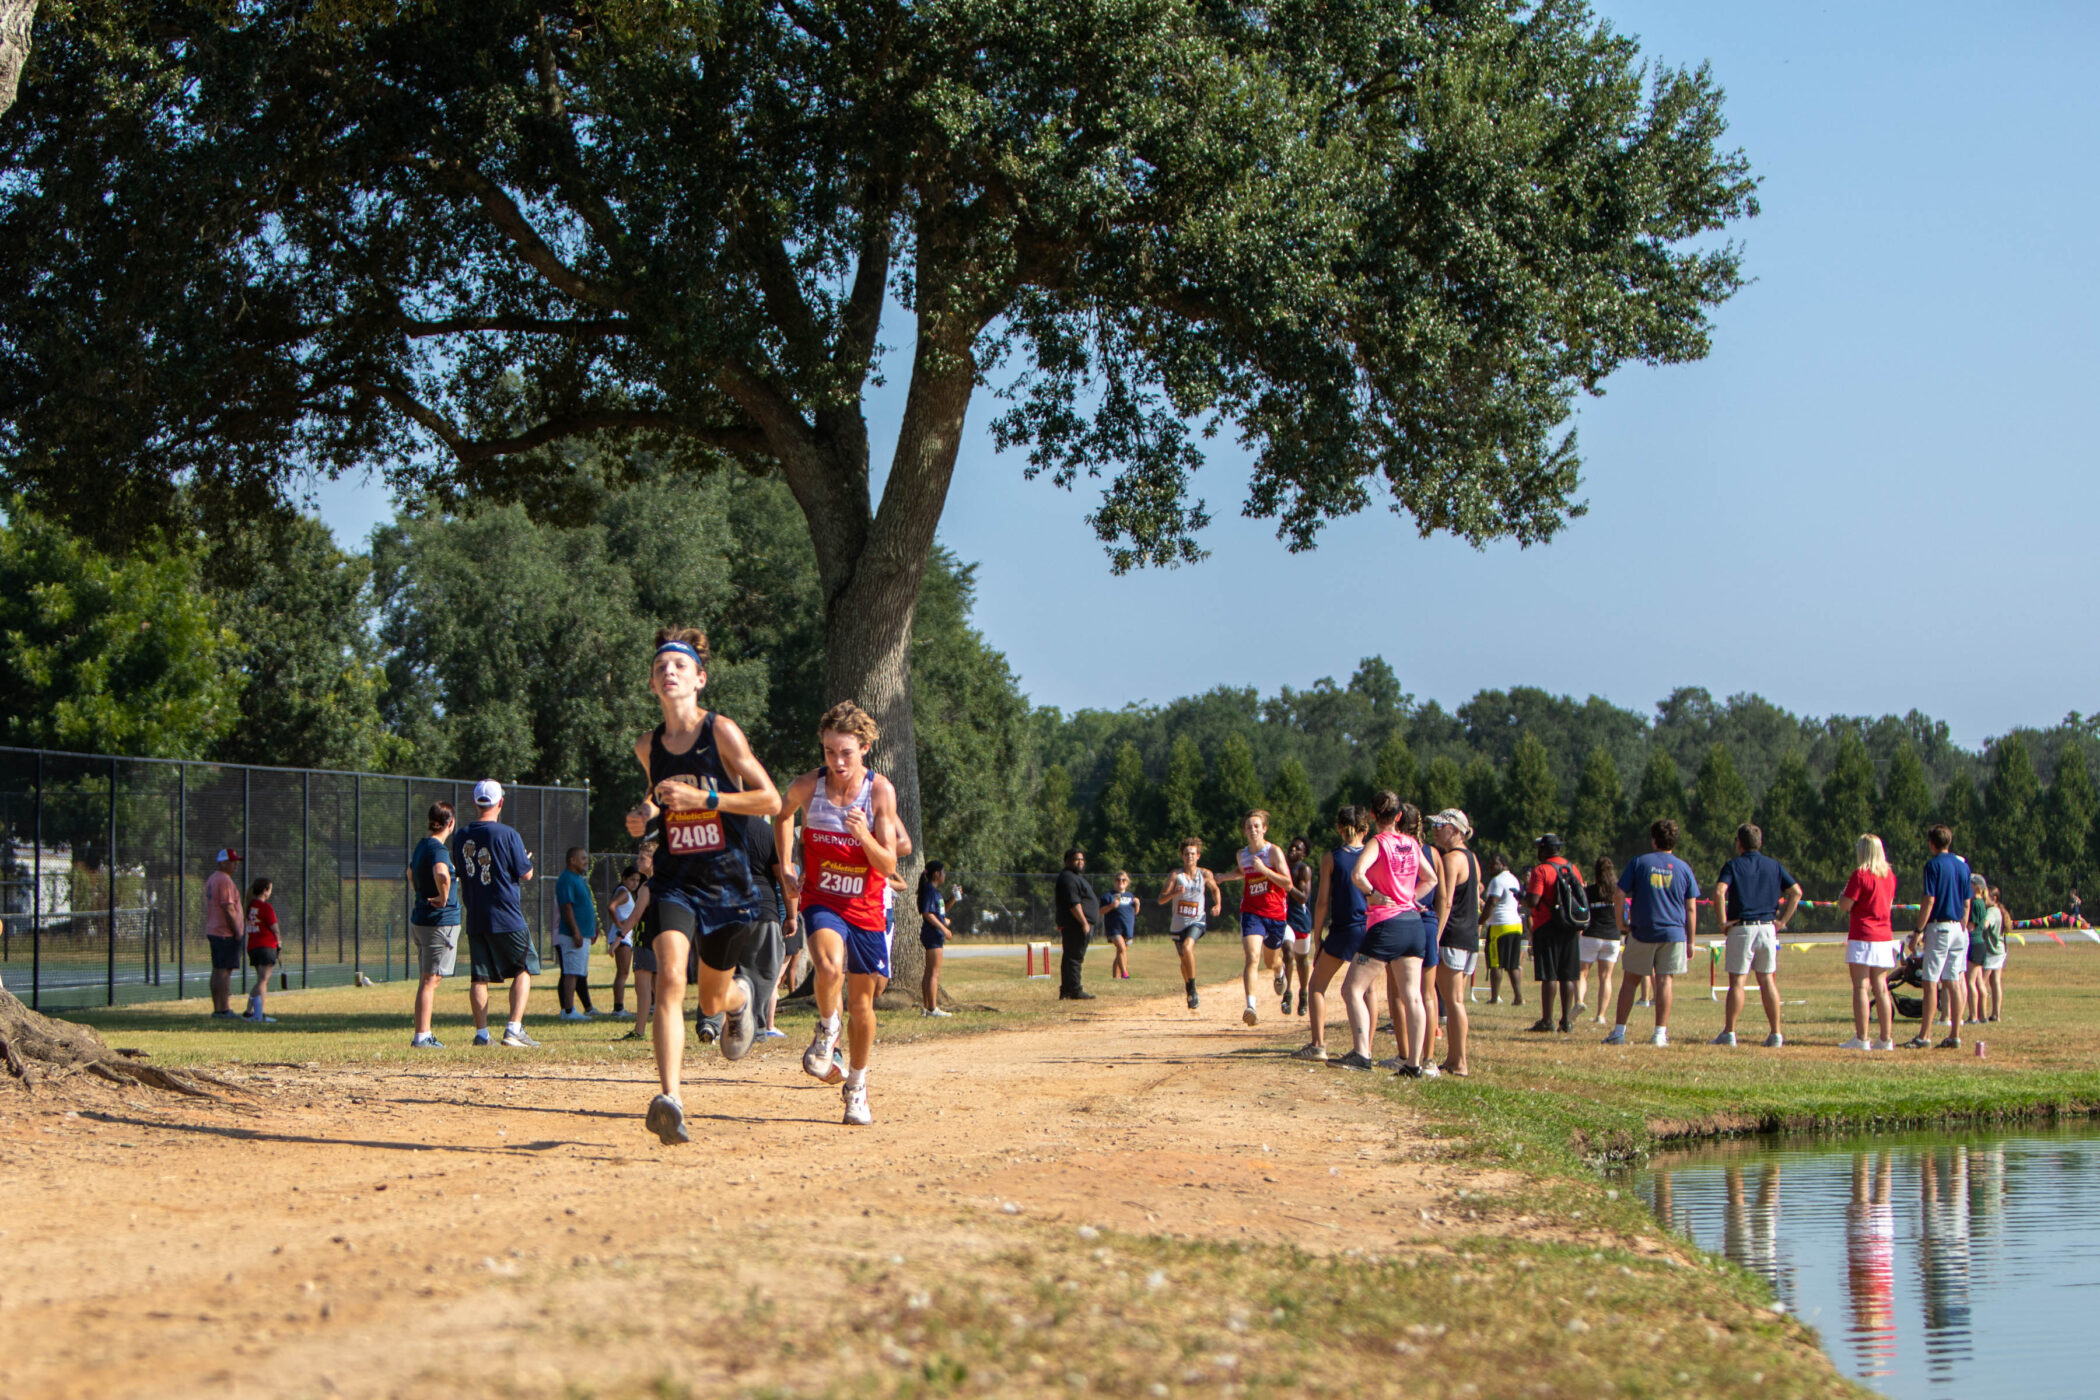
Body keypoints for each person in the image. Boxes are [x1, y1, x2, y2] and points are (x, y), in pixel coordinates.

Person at [628, 628, 782, 1143]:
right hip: (675, 880)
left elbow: (771, 801)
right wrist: (644, 813)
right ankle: (669, 1098)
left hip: (727, 885)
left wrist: (707, 800)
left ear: (700, 679)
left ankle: (740, 1004)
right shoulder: (648, 745)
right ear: (653, 684)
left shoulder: (722, 733)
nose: (668, 672)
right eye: (660, 668)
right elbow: (658, 794)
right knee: (671, 976)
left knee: (712, 996)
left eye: (679, 665)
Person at [777, 699, 905, 1128]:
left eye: (845, 752)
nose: (837, 761)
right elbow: (781, 815)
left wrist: (863, 834)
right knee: (828, 967)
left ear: (864, 747)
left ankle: (856, 1085)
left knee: (864, 1004)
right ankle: (828, 1029)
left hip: (866, 906)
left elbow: (887, 865)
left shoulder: (879, 791)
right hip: (823, 899)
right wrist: (786, 867)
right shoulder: (809, 787)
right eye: (829, 752)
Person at [1342, 793, 1437, 1075]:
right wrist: (1409, 897)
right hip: (1413, 924)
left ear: (1372, 816)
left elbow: (1357, 874)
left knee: (1352, 989)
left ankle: (1361, 1053)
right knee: (1413, 996)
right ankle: (1414, 1064)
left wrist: (1373, 895)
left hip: (1386, 923)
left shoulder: (1378, 842)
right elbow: (1430, 878)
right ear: (1399, 817)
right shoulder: (1412, 843)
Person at [453, 779, 539, 1049]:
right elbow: (526, 873)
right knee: (524, 968)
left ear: (475, 803)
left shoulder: (461, 835)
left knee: (479, 976)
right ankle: (513, 1029)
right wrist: (522, 859)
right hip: (506, 915)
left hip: (476, 914)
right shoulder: (507, 834)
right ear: (500, 802)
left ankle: (482, 1034)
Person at [1605, 819, 1699, 1047]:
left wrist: (1621, 923)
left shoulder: (1639, 862)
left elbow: (1619, 894)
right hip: (1674, 933)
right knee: (1665, 981)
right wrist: (1691, 941)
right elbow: (1691, 907)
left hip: (1642, 930)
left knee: (1630, 982)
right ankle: (1659, 1034)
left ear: (1653, 839)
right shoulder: (1684, 868)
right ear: (1674, 841)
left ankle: (1619, 1033)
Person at [1712, 824, 1803, 1048]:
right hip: (1767, 928)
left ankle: (1730, 1033)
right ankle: (1776, 1034)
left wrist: (1722, 921)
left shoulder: (1733, 865)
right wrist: (1782, 921)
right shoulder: (1774, 866)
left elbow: (1719, 891)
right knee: (1767, 980)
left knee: (1738, 982)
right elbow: (1796, 892)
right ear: (1759, 842)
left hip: (1742, 927)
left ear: (1739, 843)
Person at [1294, 806, 1366, 1062]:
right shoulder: (1374, 855)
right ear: (1365, 829)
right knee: (1368, 990)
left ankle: (1318, 1045)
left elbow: (1322, 901)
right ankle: (1366, 1048)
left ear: (1338, 828)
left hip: (1343, 930)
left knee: (1316, 986)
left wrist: (1317, 936)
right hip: (1369, 929)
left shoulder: (1331, 858)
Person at [1215, 810, 1294, 1026]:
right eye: (1249, 827)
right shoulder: (1242, 855)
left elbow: (1288, 883)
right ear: (1244, 831)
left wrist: (1265, 871)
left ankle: (1279, 972)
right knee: (1252, 957)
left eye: (1257, 826)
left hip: (1276, 914)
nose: (1253, 830)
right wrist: (1224, 877)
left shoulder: (1274, 852)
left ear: (1264, 829)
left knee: (1271, 962)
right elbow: (1242, 871)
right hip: (1252, 913)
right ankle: (1251, 1006)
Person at [1906, 824, 1970, 1050]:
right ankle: (1955, 1034)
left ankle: (1925, 1035)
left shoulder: (1932, 866)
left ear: (1932, 843)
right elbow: (1967, 901)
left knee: (1930, 981)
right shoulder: (1962, 866)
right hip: (1958, 929)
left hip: (1939, 926)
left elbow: (1929, 899)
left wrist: (1918, 930)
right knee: (1953, 981)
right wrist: (1962, 923)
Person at [1427, 809, 1478, 1077]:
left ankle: (1460, 1061)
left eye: (1441, 825)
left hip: (1452, 936)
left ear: (1456, 830)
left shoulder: (1450, 860)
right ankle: (1453, 1057)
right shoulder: (1471, 858)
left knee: (1453, 1000)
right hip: (1468, 937)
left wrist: (1435, 936)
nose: (1435, 828)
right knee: (1454, 999)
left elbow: (1445, 901)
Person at [1837, 834, 1897, 1052]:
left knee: (1861, 986)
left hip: (1863, 934)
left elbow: (1845, 904)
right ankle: (1885, 1038)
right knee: (1881, 988)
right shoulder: (1889, 875)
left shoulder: (1860, 875)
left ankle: (1862, 1037)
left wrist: (1842, 895)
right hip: (1883, 935)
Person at [407, 803, 459, 1048]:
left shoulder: (421, 845)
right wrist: (442, 897)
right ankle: (422, 1036)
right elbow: (442, 873)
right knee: (431, 980)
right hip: (437, 923)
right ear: (451, 823)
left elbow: (409, 872)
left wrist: (420, 893)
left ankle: (423, 1033)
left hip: (421, 919)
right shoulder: (438, 849)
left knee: (427, 979)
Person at [1522, 834, 1584, 1034]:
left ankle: (1547, 1020)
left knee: (1549, 975)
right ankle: (1566, 1020)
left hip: (1546, 925)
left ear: (1544, 850)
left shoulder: (1541, 870)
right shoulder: (1572, 868)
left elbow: (1533, 900)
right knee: (1567, 975)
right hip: (1570, 926)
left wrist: (1521, 898)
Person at [1158, 839, 1221, 1010]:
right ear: (1182, 856)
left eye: (1193, 854)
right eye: (1186, 854)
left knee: (1187, 948)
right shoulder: (1175, 876)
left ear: (1198, 856)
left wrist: (1217, 905)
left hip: (1197, 919)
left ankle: (1193, 988)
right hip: (1179, 923)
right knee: (1183, 959)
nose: (1190, 857)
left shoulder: (1205, 874)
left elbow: (1215, 889)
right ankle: (1189, 989)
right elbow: (1161, 899)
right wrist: (1174, 892)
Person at [554, 847, 599, 1020]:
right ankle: (568, 1010)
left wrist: (591, 929)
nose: (586, 861)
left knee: (578, 971)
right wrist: (576, 932)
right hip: (573, 935)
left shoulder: (578, 879)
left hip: (584, 933)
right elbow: (566, 907)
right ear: (572, 860)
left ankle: (571, 1009)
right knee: (571, 972)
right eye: (583, 858)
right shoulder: (566, 879)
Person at [1577, 856, 1622, 1026]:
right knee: (1606, 977)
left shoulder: (1590, 891)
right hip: (1612, 936)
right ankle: (1601, 1015)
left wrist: (1583, 890)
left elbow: (1582, 910)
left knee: (1582, 973)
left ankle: (1580, 1000)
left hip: (1591, 934)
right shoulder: (1617, 892)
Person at [202, 847, 245, 1019]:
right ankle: (224, 1009)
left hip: (214, 930)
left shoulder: (212, 878)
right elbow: (228, 908)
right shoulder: (224, 881)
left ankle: (218, 1008)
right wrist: (236, 930)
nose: (235, 865)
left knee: (217, 969)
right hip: (224, 932)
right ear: (223, 862)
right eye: (232, 861)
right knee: (224, 971)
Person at [1052, 849, 1098, 1000]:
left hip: (1076, 924)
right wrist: (1084, 922)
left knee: (1070, 957)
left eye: (1082, 860)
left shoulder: (1074, 877)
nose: (1080, 862)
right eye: (1076, 859)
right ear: (1067, 861)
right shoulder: (1068, 878)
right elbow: (1074, 903)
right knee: (1074, 957)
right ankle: (1075, 990)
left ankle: (1067, 990)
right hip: (1075, 924)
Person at [1481, 853, 1524, 1007]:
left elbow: (1492, 902)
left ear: (1504, 864)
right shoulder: (1514, 879)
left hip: (1500, 925)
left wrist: (1481, 920)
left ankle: (1494, 997)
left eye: (1494, 863)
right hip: (1516, 924)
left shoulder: (1496, 881)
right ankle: (1518, 998)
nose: (1491, 867)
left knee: (1495, 963)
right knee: (1513, 964)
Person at [1284, 837, 1316, 1015]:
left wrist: (1288, 886)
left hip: (1300, 919)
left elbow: (1303, 897)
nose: (1293, 850)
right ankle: (1287, 993)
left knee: (1302, 959)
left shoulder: (1303, 870)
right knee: (1287, 953)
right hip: (1284, 918)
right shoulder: (1282, 867)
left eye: (1298, 848)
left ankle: (1303, 993)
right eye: (1292, 846)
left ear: (1304, 853)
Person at [242, 877, 280, 1024]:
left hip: (253, 946)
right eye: (269, 889)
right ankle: (258, 1014)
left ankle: (249, 1011)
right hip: (266, 945)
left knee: (260, 981)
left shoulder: (250, 906)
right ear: (265, 890)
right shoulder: (265, 907)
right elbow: (274, 929)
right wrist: (279, 944)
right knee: (263, 982)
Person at [919, 861, 956, 1014]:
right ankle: (933, 1008)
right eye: (943, 872)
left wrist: (953, 898)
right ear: (936, 874)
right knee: (934, 972)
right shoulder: (929, 890)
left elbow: (941, 910)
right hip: (933, 934)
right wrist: (943, 928)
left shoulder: (935, 892)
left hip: (935, 933)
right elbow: (927, 912)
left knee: (930, 971)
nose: (944, 875)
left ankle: (927, 1007)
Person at [606, 864, 640, 1019]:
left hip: (625, 936)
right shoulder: (623, 892)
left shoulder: (627, 893)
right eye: (632, 879)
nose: (635, 883)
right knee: (623, 972)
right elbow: (611, 907)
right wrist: (619, 924)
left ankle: (618, 1007)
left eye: (637, 880)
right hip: (622, 937)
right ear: (624, 879)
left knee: (623, 972)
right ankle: (618, 1008)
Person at [1098, 869, 1138, 982]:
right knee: (1121, 948)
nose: (1121, 882)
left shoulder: (1130, 896)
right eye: (1118, 880)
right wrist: (1111, 906)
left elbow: (1134, 912)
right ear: (1114, 882)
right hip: (1114, 928)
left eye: (1123, 880)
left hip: (1127, 928)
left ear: (1127, 882)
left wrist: (1137, 905)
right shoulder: (1108, 896)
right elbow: (1101, 911)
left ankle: (1116, 978)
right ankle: (1125, 974)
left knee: (1120, 952)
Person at [1980, 884, 2009, 1022]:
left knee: (1981, 982)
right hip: (2000, 949)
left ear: (1994, 898)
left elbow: (1985, 924)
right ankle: (1996, 1014)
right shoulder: (1998, 910)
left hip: (1991, 952)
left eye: (1986, 896)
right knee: (1996, 982)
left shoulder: (1991, 911)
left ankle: (1981, 1014)